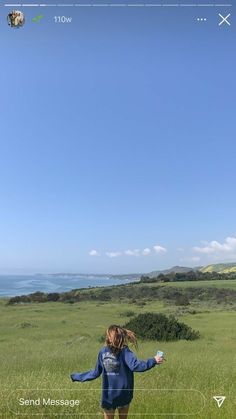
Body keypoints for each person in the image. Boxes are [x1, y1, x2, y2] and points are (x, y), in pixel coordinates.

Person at [70, 324, 164, 418]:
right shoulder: (125, 351)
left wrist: (76, 376)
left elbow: (95, 373)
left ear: (109, 337)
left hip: (109, 396)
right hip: (124, 394)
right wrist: (153, 360)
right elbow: (136, 366)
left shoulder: (103, 352)